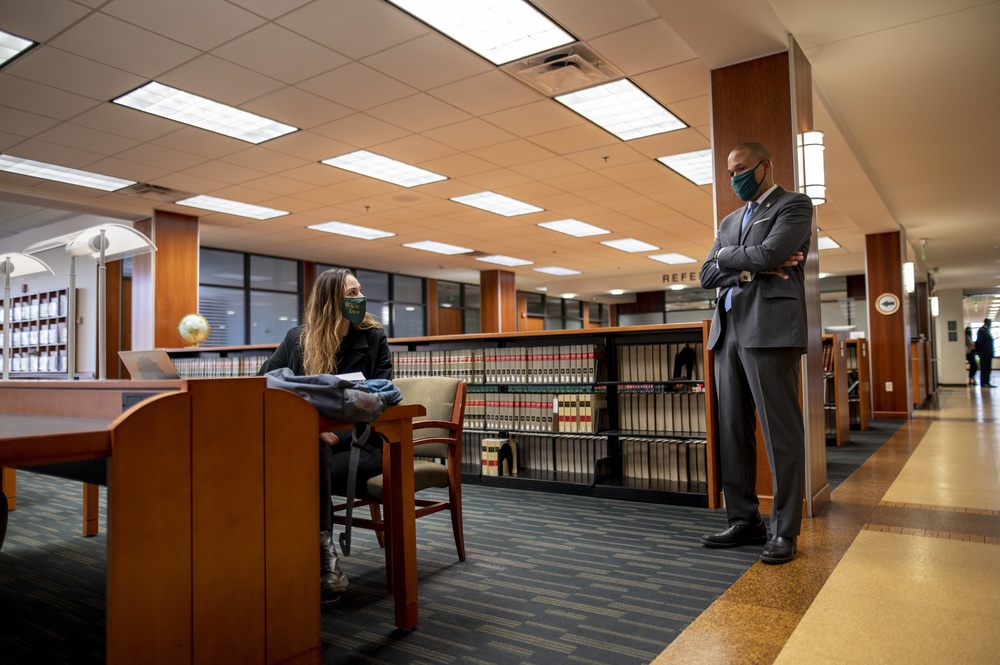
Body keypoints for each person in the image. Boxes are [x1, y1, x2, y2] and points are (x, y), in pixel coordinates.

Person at [698, 142, 813, 565]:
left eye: (742, 169)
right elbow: (706, 274)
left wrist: (733, 258)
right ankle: (744, 519)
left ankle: (784, 530)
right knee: (732, 432)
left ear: (766, 165)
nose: (735, 178)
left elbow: (773, 252)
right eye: (729, 172)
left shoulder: (794, 205)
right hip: (727, 333)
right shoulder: (729, 220)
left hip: (770, 332)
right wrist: (747, 266)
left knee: (780, 435)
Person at [258, 267, 393, 606]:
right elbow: (261, 386)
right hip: (306, 446)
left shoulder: (374, 338)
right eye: (351, 293)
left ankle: (321, 559)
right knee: (306, 449)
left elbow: (382, 404)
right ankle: (301, 557)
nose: (360, 298)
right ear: (329, 301)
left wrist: (338, 436)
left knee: (310, 455)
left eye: (360, 291)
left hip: (361, 446)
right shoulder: (296, 340)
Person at [975, 318, 994, 388]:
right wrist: (978, 352)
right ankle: (983, 383)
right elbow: (978, 342)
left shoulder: (987, 331)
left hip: (988, 354)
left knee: (988, 368)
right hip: (984, 354)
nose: (990, 324)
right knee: (984, 369)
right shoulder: (981, 331)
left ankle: (987, 382)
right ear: (986, 323)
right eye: (989, 323)